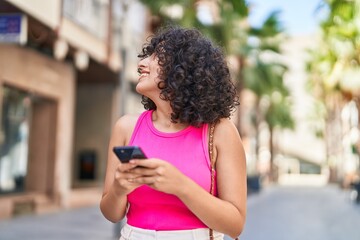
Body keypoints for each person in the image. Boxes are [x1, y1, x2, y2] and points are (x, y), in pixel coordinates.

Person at [100, 26, 247, 240]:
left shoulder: (221, 131)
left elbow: (235, 225)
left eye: (156, 57)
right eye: (145, 56)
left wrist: (181, 186)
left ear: (184, 70)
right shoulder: (126, 127)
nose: (141, 63)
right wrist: (119, 188)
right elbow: (111, 213)